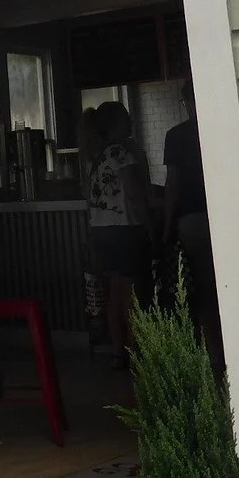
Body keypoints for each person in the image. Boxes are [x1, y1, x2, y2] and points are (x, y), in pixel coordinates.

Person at [87, 100, 153, 368]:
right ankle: (135, 350)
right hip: (126, 231)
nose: (131, 122)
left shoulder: (98, 157)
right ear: (115, 125)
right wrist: (150, 225)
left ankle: (118, 352)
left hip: (102, 232)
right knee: (132, 293)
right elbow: (135, 193)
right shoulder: (122, 154)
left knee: (115, 291)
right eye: (126, 118)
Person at [164, 79, 223, 374]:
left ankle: (213, 354)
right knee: (225, 284)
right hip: (225, 217)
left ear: (187, 101)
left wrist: (165, 227)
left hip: (192, 220)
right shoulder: (222, 128)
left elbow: (173, 186)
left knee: (200, 289)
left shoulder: (176, 136)